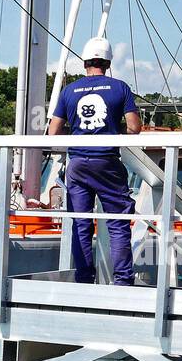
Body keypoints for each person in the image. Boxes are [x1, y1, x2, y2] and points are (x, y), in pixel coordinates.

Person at [48, 37, 142, 285]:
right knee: (118, 223)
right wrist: (112, 129)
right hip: (107, 162)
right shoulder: (120, 88)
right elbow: (134, 128)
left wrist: (80, 134)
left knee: (80, 223)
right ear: (108, 63)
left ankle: (84, 280)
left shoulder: (69, 91)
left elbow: (53, 132)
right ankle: (122, 281)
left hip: (77, 164)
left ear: (84, 62)